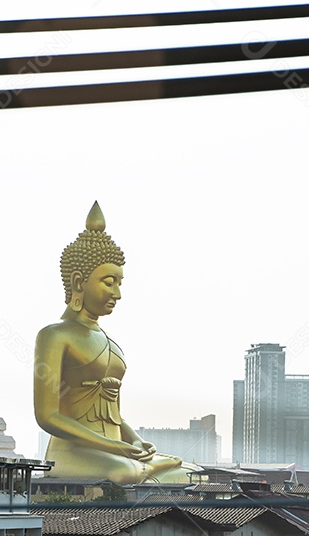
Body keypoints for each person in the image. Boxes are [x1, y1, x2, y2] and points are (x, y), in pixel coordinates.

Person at [34, 202, 197, 485]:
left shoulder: (109, 342)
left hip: (117, 452)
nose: (117, 293)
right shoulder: (54, 335)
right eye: (109, 282)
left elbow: (115, 417)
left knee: (190, 472)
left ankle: (146, 468)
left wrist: (136, 441)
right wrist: (114, 448)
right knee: (124, 472)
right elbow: (48, 416)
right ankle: (143, 469)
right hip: (73, 452)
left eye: (119, 283)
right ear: (78, 282)